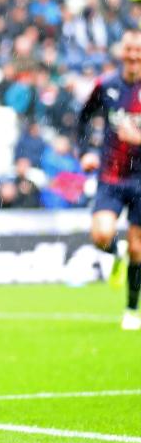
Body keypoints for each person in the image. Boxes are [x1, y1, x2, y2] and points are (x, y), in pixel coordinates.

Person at [77, 28, 141, 330]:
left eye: (138, 50)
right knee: (101, 235)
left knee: (139, 247)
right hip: (111, 177)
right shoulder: (106, 85)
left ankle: (131, 310)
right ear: (121, 51)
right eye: (129, 49)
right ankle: (117, 254)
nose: (133, 55)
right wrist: (86, 152)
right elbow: (83, 119)